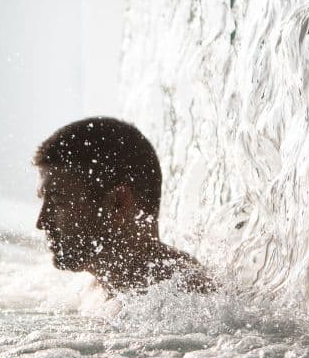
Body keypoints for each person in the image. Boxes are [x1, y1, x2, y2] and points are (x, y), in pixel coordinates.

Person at [33, 116, 212, 294]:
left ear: (118, 203)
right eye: (44, 200)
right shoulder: (98, 290)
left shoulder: (182, 296)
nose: (42, 222)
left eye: (58, 201)